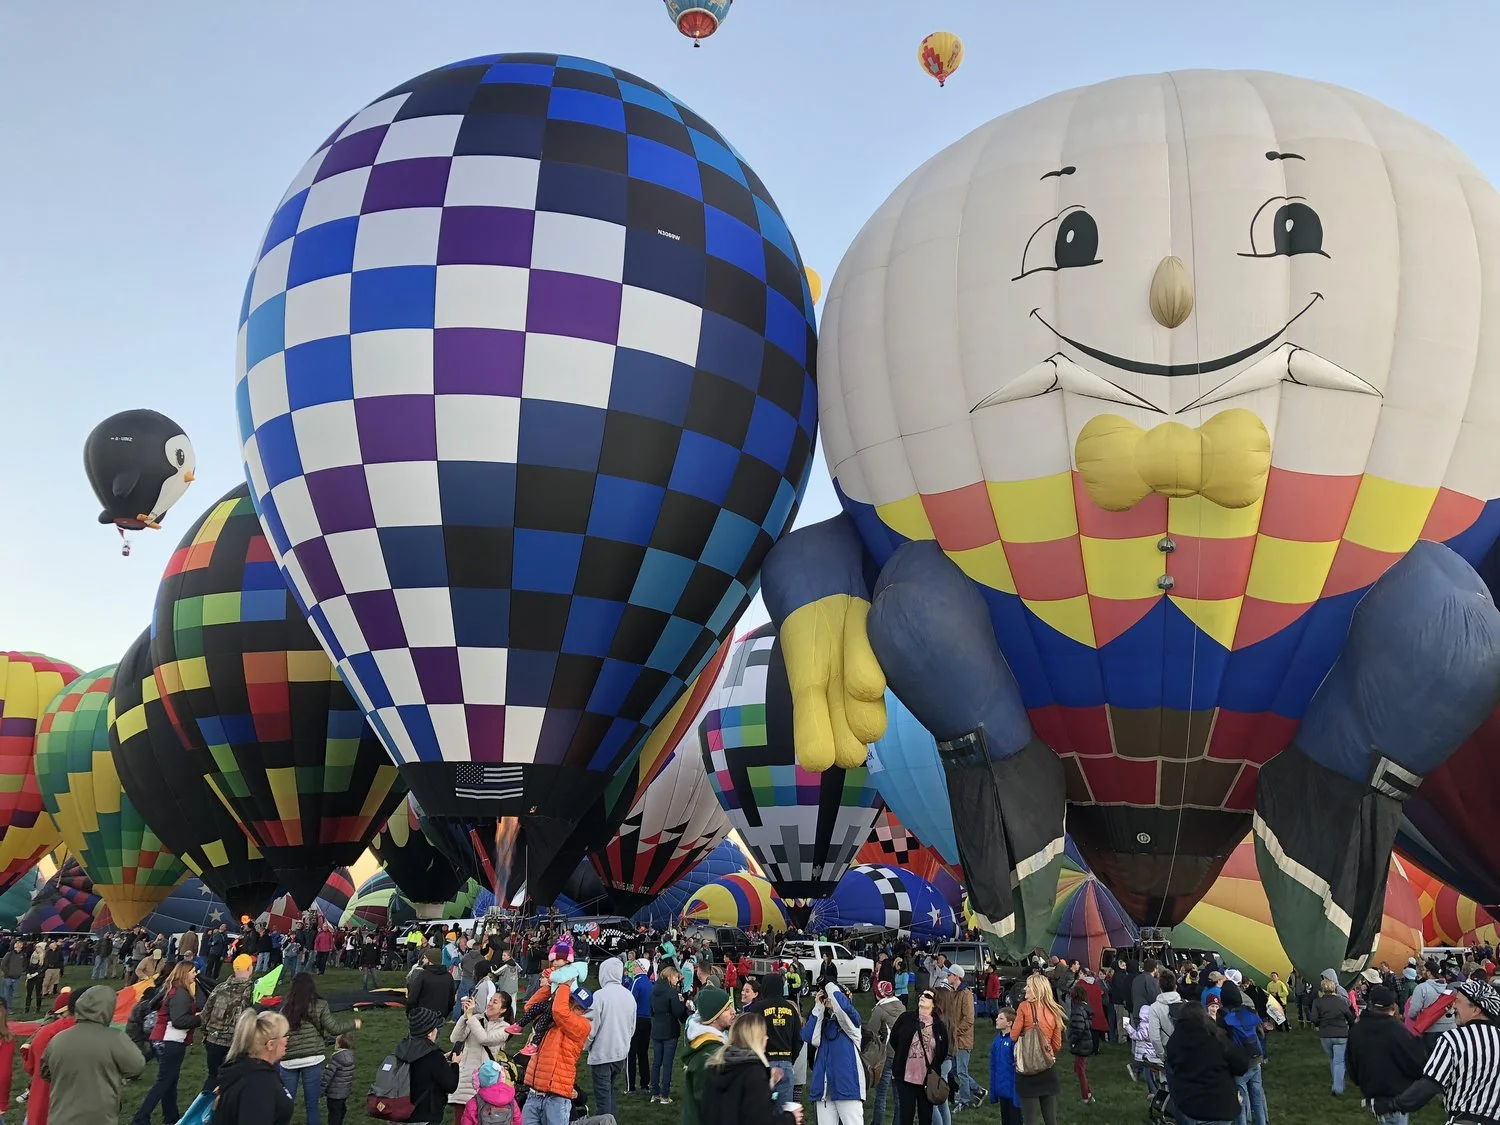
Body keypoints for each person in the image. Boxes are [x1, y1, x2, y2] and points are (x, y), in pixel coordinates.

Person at [1372, 978, 1500, 1125]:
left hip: (1464, 1119)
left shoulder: (1453, 1039)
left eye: (1458, 1001)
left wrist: (1392, 1105)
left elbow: (1429, 1085)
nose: (1453, 1005)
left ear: (1476, 1010)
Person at [39, 985, 147, 1125]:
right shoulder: (115, 1038)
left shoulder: (58, 1039)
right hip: (99, 1117)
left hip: (61, 1116)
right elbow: (136, 1067)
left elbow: (45, 1072)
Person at [280, 972, 359, 1125]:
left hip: (289, 1059)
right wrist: (353, 1024)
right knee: (312, 1105)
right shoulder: (320, 1005)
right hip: (312, 1058)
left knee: (285, 1104)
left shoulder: (285, 1009)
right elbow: (334, 1028)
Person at [700, 1011, 804, 1125]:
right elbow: (759, 1120)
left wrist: (769, 1079)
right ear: (756, 1038)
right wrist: (790, 1118)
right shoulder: (754, 1073)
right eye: (764, 1034)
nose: (767, 1037)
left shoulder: (718, 1066)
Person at [133, 959, 203, 1125]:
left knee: (170, 1081)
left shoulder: (174, 989)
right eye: (193, 972)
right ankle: (141, 1117)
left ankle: (170, 1116)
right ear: (185, 973)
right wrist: (199, 1019)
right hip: (171, 1040)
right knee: (164, 1081)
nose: (195, 975)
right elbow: (179, 1020)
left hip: (163, 1038)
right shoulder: (180, 993)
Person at [1346, 984, 1425, 1125]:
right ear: (1393, 1007)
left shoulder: (1357, 1030)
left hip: (1372, 1093)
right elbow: (1417, 1063)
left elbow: (1351, 1064)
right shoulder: (1397, 1031)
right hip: (1395, 1096)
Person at [1164, 1001, 1250, 1125]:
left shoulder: (1174, 1042)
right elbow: (1241, 1064)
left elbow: (1172, 1071)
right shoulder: (1216, 1038)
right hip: (1221, 1106)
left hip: (1190, 1107)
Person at [518, 982, 592, 1125]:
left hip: (557, 1098)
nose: (571, 1007)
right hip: (534, 1094)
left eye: (577, 1007)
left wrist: (564, 984)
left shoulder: (583, 1026)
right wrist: (549, 986)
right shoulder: (551, 1017)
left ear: (584, 1012)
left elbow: (559, 1011)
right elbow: (530, 1007)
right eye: (571, 1001)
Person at [214, 1010, 295, 1125]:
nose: (287, 1040)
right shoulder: (259, 1083)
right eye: (284, 1035)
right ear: (270, 1044)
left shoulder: (245, 1068)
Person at [584, 957, 635, 1118]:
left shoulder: (599, 996)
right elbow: (632, 1027)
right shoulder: (629, 996)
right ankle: (611, 1119)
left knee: (603, 1097)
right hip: (620, 1053)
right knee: (609, 1092)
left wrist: (584, 1045)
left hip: (602, 1054)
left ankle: (605, 1121)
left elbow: (590, 1028)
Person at [888, 989, 949, 1125]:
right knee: (906, 1115)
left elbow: (942, 1051)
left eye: (927, 996)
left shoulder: (939, 1026)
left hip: (927, 1080)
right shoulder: (906, 1018)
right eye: (921, 994)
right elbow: (894, 1040)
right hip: (905, 1078)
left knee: (926, 1116)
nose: (922, 996)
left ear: (934, 1003)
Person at [1010, 974, 1064, 1125]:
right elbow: (1057, 1045)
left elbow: (1013, 1036)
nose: (1025, 989)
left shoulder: (1024, 1007)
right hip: (1047, 1068)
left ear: (1036, 989)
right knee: (1051, 1120)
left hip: (1027, 1068)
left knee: (1030, 1120)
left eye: (1028, 986)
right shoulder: (1054, 1010)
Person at [200, 953, 257, 1094]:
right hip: (234, 1044)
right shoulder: (251, 991)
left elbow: (205, 1013)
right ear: (250, 968)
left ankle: (200, 1111)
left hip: (213, 1041)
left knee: (213, 1077)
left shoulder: (220, 988)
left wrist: (206, 1034)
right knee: (233, 1081)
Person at [451, 990, 511, 1123]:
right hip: (464, 1078)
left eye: (494, 1002)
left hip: (486, 1082)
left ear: (503, 1009)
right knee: (459, 1120)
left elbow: (484, 1038)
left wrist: (471, 1017)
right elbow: (455, 1038)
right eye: (490, 1000)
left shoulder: (505, 1028)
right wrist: (465, 1016)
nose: (489, 1004)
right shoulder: (476, 1019)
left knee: (482, 1120)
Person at [745, 971, 802, 1109]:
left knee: (761, 1111)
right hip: (786, 1063)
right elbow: (798, 1039)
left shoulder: (757, 1008)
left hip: (763, 1064)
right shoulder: (791, 1009)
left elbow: (748, 1036)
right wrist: (789, 1059)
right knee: (783, 1112)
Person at [1216, 981, 1267, 1125]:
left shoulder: (1223, 1017)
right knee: (1257, 1097)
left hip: (1239, 1063)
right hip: (1256, 1058)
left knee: (1240, 1102)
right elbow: (1261, 1034)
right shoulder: (1249, 1011)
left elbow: (1221, 1042)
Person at [682, 987, 735, 1125]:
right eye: (726, 1008)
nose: (733, 1011)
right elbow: (711, 1106)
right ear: (714, 1016)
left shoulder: (710, 1046)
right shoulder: (709, 1055)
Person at [402, 1007, 462, 1125]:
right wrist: (455, 1064)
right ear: (429, 1032)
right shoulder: (433, 1055)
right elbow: (450, 1085)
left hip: (400, 1110)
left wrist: (442, 1060)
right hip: (424, 1115)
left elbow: (421, 1067)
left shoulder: (403, 1048)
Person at [865, 980, 906, 1125]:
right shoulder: (901, 1006)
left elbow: (871, 1033)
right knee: (898, 1096)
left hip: (887, 1055)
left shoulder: (879, 1010)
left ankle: (877, 1123)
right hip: (902, 1055)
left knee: (881, 1095)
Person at [1311, 975, 1355, 1096]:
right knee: (1339, 1061)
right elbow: (1350, 1016)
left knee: (1332, 1060)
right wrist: (1350, 1026)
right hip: (1341, 1033)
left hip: (1325, 1034)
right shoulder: (1340, 1001)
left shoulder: (1317, 1002)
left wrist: (1320, 1023)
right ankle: (1338, 1087)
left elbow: (1313, 1018)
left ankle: (1337, 1084)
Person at [650, 964, 688, 1104]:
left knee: (656, 1063)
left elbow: (651, 1011)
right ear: (670, 976)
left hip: (657, 1029)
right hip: (670, 1030)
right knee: (667, 1064)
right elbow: (677, 1012)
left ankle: (655, 1093)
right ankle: (665, 1095)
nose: (677, 980)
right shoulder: (671, 992)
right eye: (676, 977)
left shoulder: (654, 990)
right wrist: (682, 1004)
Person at [460, 1059, 520, 1125]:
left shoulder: (474, 1103)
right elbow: (518, 1121)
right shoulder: (511, 1101)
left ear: (477, 1080)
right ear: (501, 1078)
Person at [988, 1008, 1022, 1125]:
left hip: (1014, 1093)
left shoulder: (1015, 1041)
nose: (996, 1019)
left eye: (1001, 1018)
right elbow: (993, 1066)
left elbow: (1019, 1068)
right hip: (1002, 1091)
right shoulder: (997, 1040)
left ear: (1009, 1023)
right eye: (997, 1017)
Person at [1066, 982, 1097, 1105]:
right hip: (1086, 1041)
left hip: (1081, 1043)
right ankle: (1088, 1093)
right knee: (1079, 1068)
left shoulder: (1077, 1009)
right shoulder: (1085, 1008)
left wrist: (1072, 1040)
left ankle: (1085, 1097)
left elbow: (1079, 1028)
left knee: (1080, 1070)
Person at [628, 959, 655, 1095]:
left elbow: (630, 1001)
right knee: (643, 1053)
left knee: (631, 1053)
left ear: (642, 968)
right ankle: (645, 1084)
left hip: (636, 1020)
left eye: (636, 965)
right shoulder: (650, 984)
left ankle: (630, 1086)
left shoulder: (637, 982)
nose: (633, 967)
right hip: (648, 1020)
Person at [411, 948, 459, 1016]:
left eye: (425, 958)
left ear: (430, 960)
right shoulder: (448, 977)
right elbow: (451, 1000)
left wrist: (411, 1012)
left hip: (423, 1015)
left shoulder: (423, 976)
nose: (423, 960)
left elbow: (413, 997)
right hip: (440, 1015)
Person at [323, 1032, 356, 1125]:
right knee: (341, 1110)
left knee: (333, 1115)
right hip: (344, 1092)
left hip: (334, 1093)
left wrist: (320, 1091)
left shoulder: (336, 1058)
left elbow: (327, 1076)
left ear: (338, 1044)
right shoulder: (351, 1056)